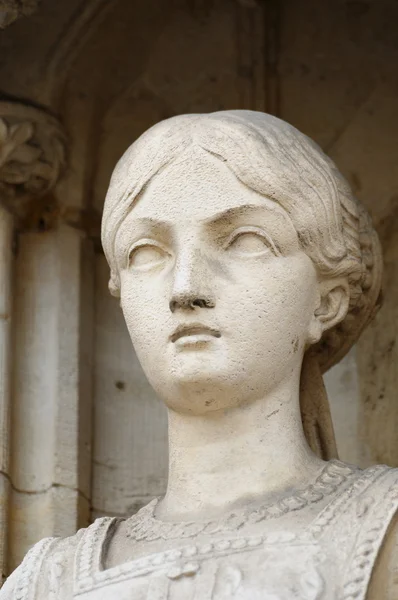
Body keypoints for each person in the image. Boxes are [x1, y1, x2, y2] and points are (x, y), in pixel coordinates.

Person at [1, 110, 396, 599]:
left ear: (326, 300)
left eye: (245, 241)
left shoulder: (386, 531)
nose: (185, 288)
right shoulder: (45, 582)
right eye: (147, 252)